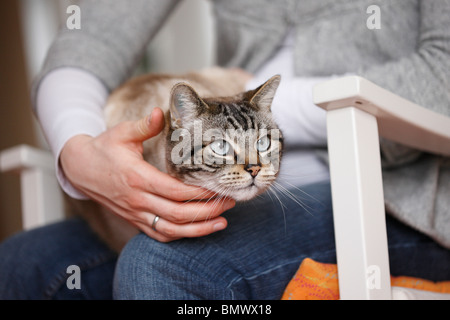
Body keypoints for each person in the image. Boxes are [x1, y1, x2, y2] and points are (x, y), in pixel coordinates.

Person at [1, 0, 449, 299]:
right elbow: (89, 39)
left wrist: (237, 100)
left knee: (165, 265)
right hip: (221, 166)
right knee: (25, 260)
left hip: (395, 191)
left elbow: (442, 79)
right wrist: (78, 150)